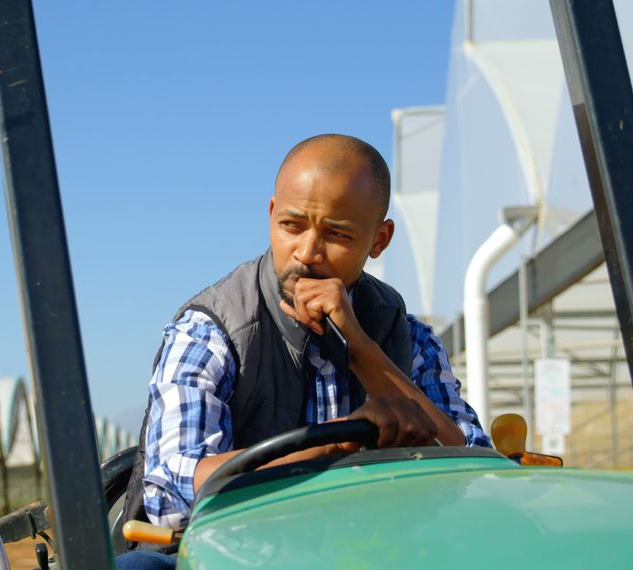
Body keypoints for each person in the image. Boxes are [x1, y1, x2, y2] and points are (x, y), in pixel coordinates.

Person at [115, 134, 490, 570]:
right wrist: (334, 442)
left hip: (373, 552)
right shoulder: (212, 329)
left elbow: (474, 471)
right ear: (272, 214)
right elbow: (170, 496)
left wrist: (363, 350)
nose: (307, 253)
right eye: (292, 226)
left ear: (379, 240)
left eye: (337, 234)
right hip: (232, 555)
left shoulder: (409, 337)